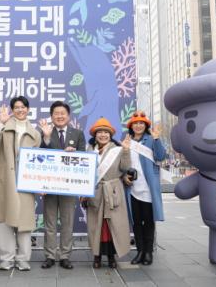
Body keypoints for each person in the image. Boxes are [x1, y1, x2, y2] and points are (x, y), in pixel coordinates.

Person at [0, 96, 41, 271]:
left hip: (25, 183)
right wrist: (0, 123)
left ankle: (23, 259)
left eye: (23, 107)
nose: (20, 110)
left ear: (28, 109)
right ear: (12, 110)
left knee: (24, 223)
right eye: (16, 107)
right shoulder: (5, 127)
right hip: (6, 181)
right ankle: (6, 259)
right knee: (5, 222)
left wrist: (39, 184)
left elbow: (39, 162)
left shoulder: (35, 134)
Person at [38, 101, 87, 270]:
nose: (59, 116)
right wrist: (46, 138)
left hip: (69, 187)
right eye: (56, 113)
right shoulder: (45, 132)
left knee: (67, 223)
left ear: (68, 116)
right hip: (50, 187)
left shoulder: (78, 134)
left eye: (62, 113)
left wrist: (75, 154)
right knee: (50, 223)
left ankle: (65, 256)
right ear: (51, 116)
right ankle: (50, 256)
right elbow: (39, 158)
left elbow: (84, 158)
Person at [82, 117, 131, 269]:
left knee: (113, 227)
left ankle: (111, 257)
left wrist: (126, 151)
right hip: (95, 192)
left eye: (106, 132)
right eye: (100, 132)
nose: (103, 135)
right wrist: (83, 193)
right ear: (95, 135)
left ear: (110, 135)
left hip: (113, 191)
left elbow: (125, 168)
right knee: (96, 226)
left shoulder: (117, 150)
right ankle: (96, 257)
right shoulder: (89, 150)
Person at [122, 111, 166, 266]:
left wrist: (157, 139)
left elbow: (160, 156)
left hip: (148, 188)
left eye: (141, 123)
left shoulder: (151, 139)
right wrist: (124, 176)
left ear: (145, 125)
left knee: (148, 221)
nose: (138, 126)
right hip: (132, 189)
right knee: (136, 222)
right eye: (135, 123)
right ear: (131, 126)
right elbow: (122, 164)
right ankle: (140, 251)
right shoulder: (127, 141)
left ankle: (148, 252)